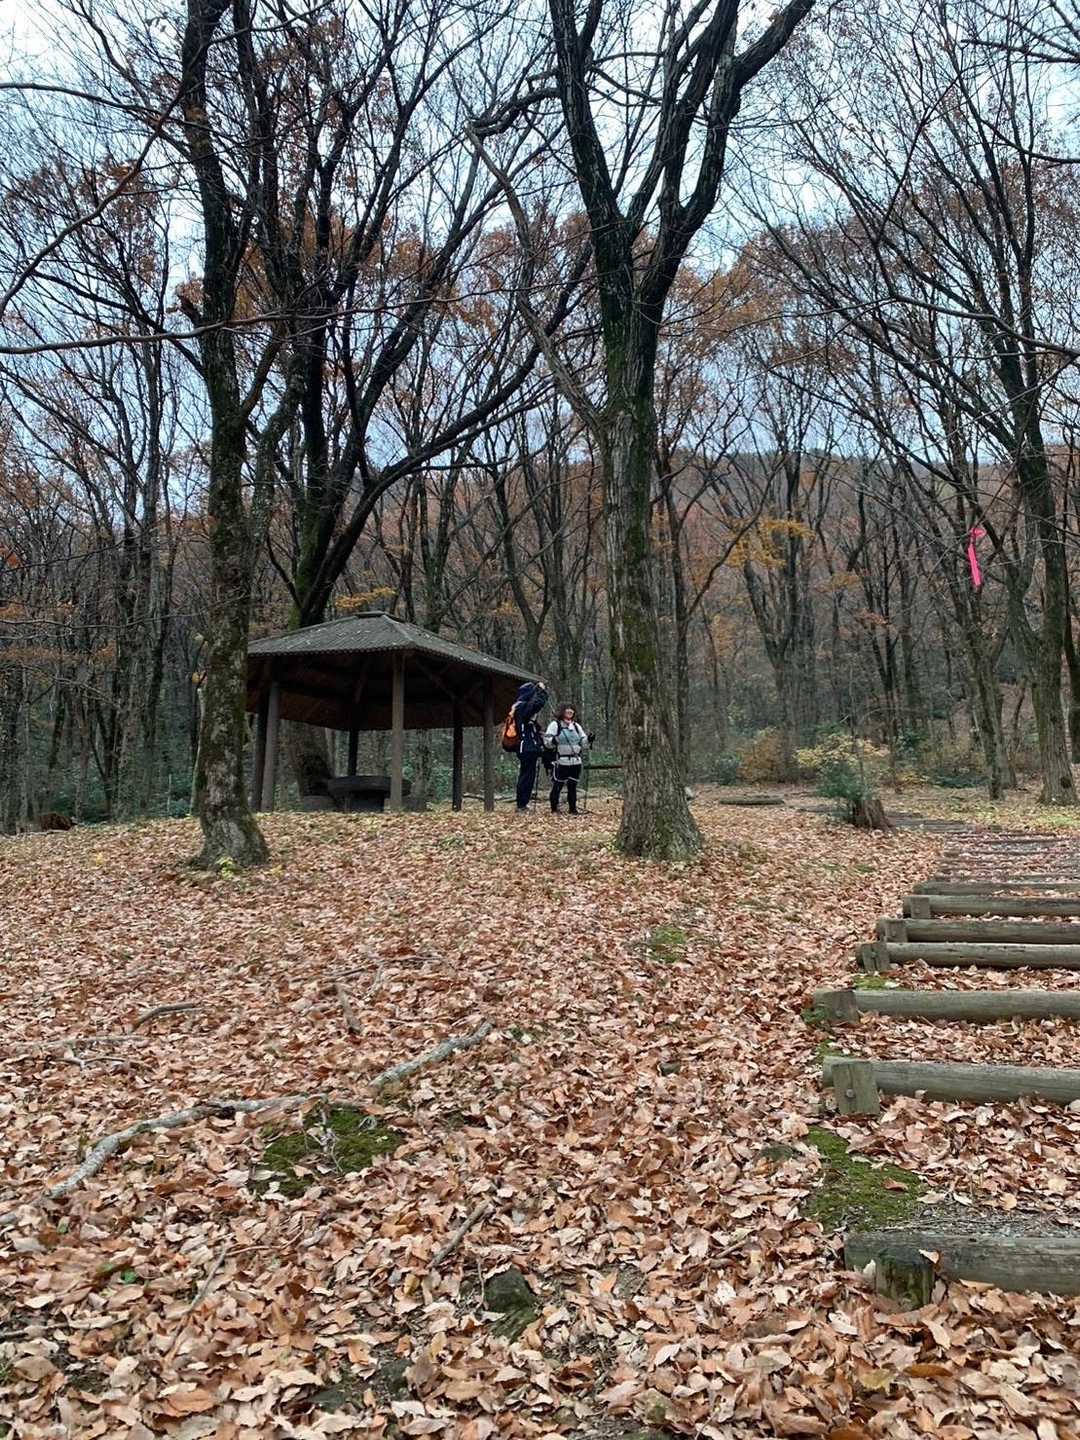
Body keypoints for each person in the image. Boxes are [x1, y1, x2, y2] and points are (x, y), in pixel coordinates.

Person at [544, 703, 591, 815]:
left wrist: (589, 739)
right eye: (567, 710)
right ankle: (554, 809)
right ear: (562, 711)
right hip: (561, 761)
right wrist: (553, 741)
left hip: (576, 761)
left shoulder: (576, 726)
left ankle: (573, 809)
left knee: (573, 786)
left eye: (572, 710)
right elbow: (547, 742)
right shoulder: (555, 725)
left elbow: (583, 742)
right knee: (558, 785)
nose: (570, 712)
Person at [510, 680, 548, 813]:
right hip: (526, 747)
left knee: (528, 775)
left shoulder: (520, 707)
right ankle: (521, 805)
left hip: (529, 747)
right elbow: (537, 704)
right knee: (526, 776)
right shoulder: (521, 707)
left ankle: (523, 804)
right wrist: (541, 691)